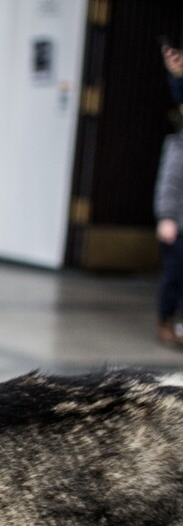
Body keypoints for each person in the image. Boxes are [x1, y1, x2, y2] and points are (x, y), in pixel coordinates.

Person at [156, 41, 183, 347]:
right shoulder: (178, 147)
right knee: (174, 277)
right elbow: (170, 184)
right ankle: (165, 320)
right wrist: (166, 217)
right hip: (178, 226)